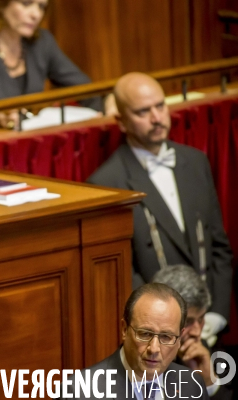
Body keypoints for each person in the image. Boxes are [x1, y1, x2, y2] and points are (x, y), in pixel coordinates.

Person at [87, 72, 233, 343]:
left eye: (160, 106)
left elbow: (218, 247)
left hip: (208, 329)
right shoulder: (107, 183)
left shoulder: (196, 161)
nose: (157, 118)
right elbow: (122, 274)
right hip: (155, 341)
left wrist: (215, 316)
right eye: (143, 111)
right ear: (121, 121)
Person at [0, 0, 102, 139]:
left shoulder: (42, 43)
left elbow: (85, 90)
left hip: (33, 146)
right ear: (1, 5)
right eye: (26, 3)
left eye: (41, 6)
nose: (36, 14)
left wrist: (108, 104)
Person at [79, 283, 208, 399]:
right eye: (145, 334)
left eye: (166, 337)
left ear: (179, 338)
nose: (154, 348)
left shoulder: (192, 385)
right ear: (125, 329)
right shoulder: (80, 393)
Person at [153, 265, 231, 399]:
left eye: (201, 319)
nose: (196, 332)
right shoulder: (138, 361)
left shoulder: (206, 355)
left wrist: (209, 384)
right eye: (188, 321)